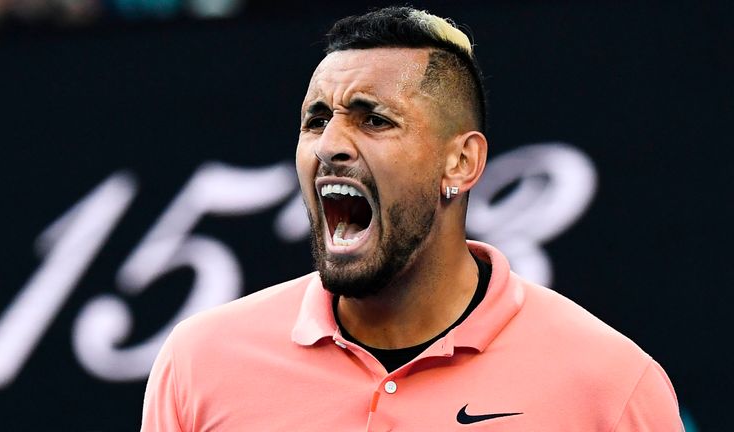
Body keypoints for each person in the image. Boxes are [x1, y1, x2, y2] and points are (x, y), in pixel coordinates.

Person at [141, 6, 684, 431]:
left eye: (373, 119)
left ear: (462, 162)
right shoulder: (199, 363)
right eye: (316, 119)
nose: (330, 145)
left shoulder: (610, 385)